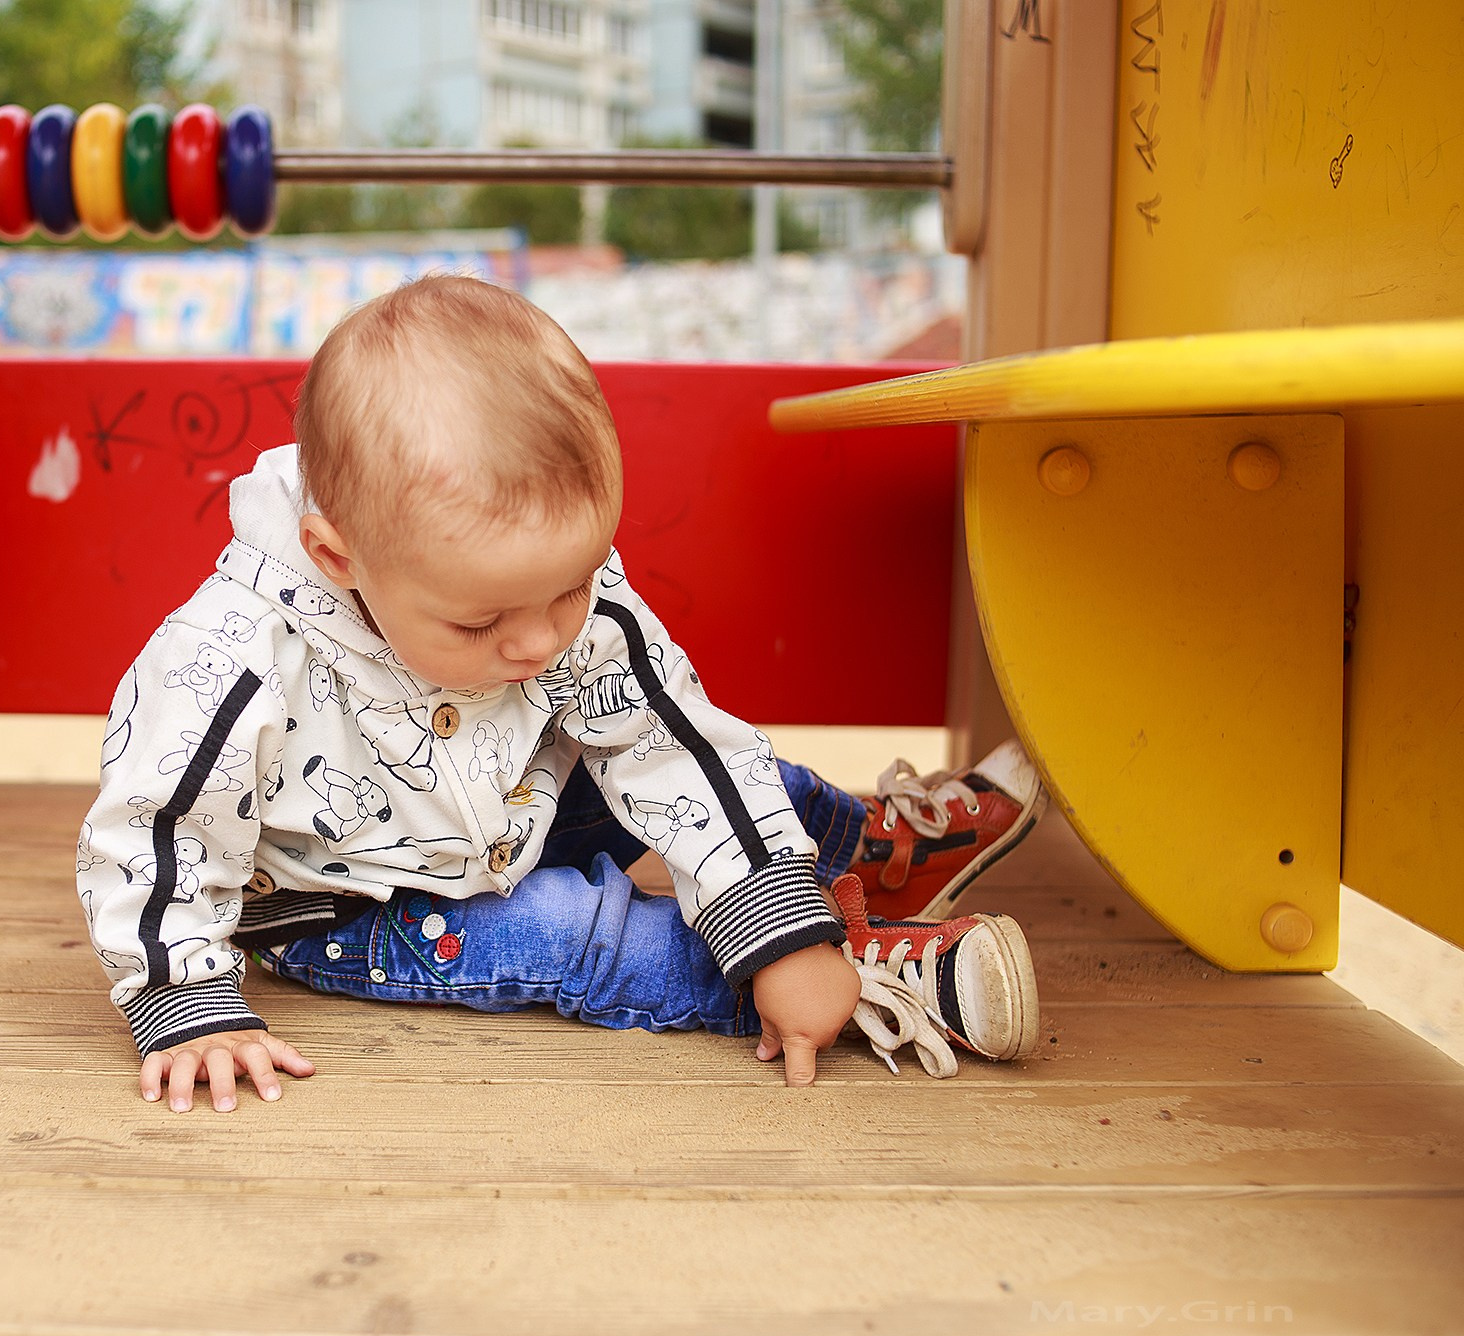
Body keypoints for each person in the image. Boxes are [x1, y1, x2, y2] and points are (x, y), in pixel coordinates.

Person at [75, 275, 1045, 1114]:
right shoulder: (232, 654)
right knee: (568, 931)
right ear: (339, 557)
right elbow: (156, 827)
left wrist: (764, 905)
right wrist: (183, 999)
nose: (542, 639)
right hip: (352, 900)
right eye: (481, 623)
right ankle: (857, 979)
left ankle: (856, 855)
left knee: (709, 766)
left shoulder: (540, 595)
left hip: (515, 803)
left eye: (572, 587)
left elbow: (671, 745)